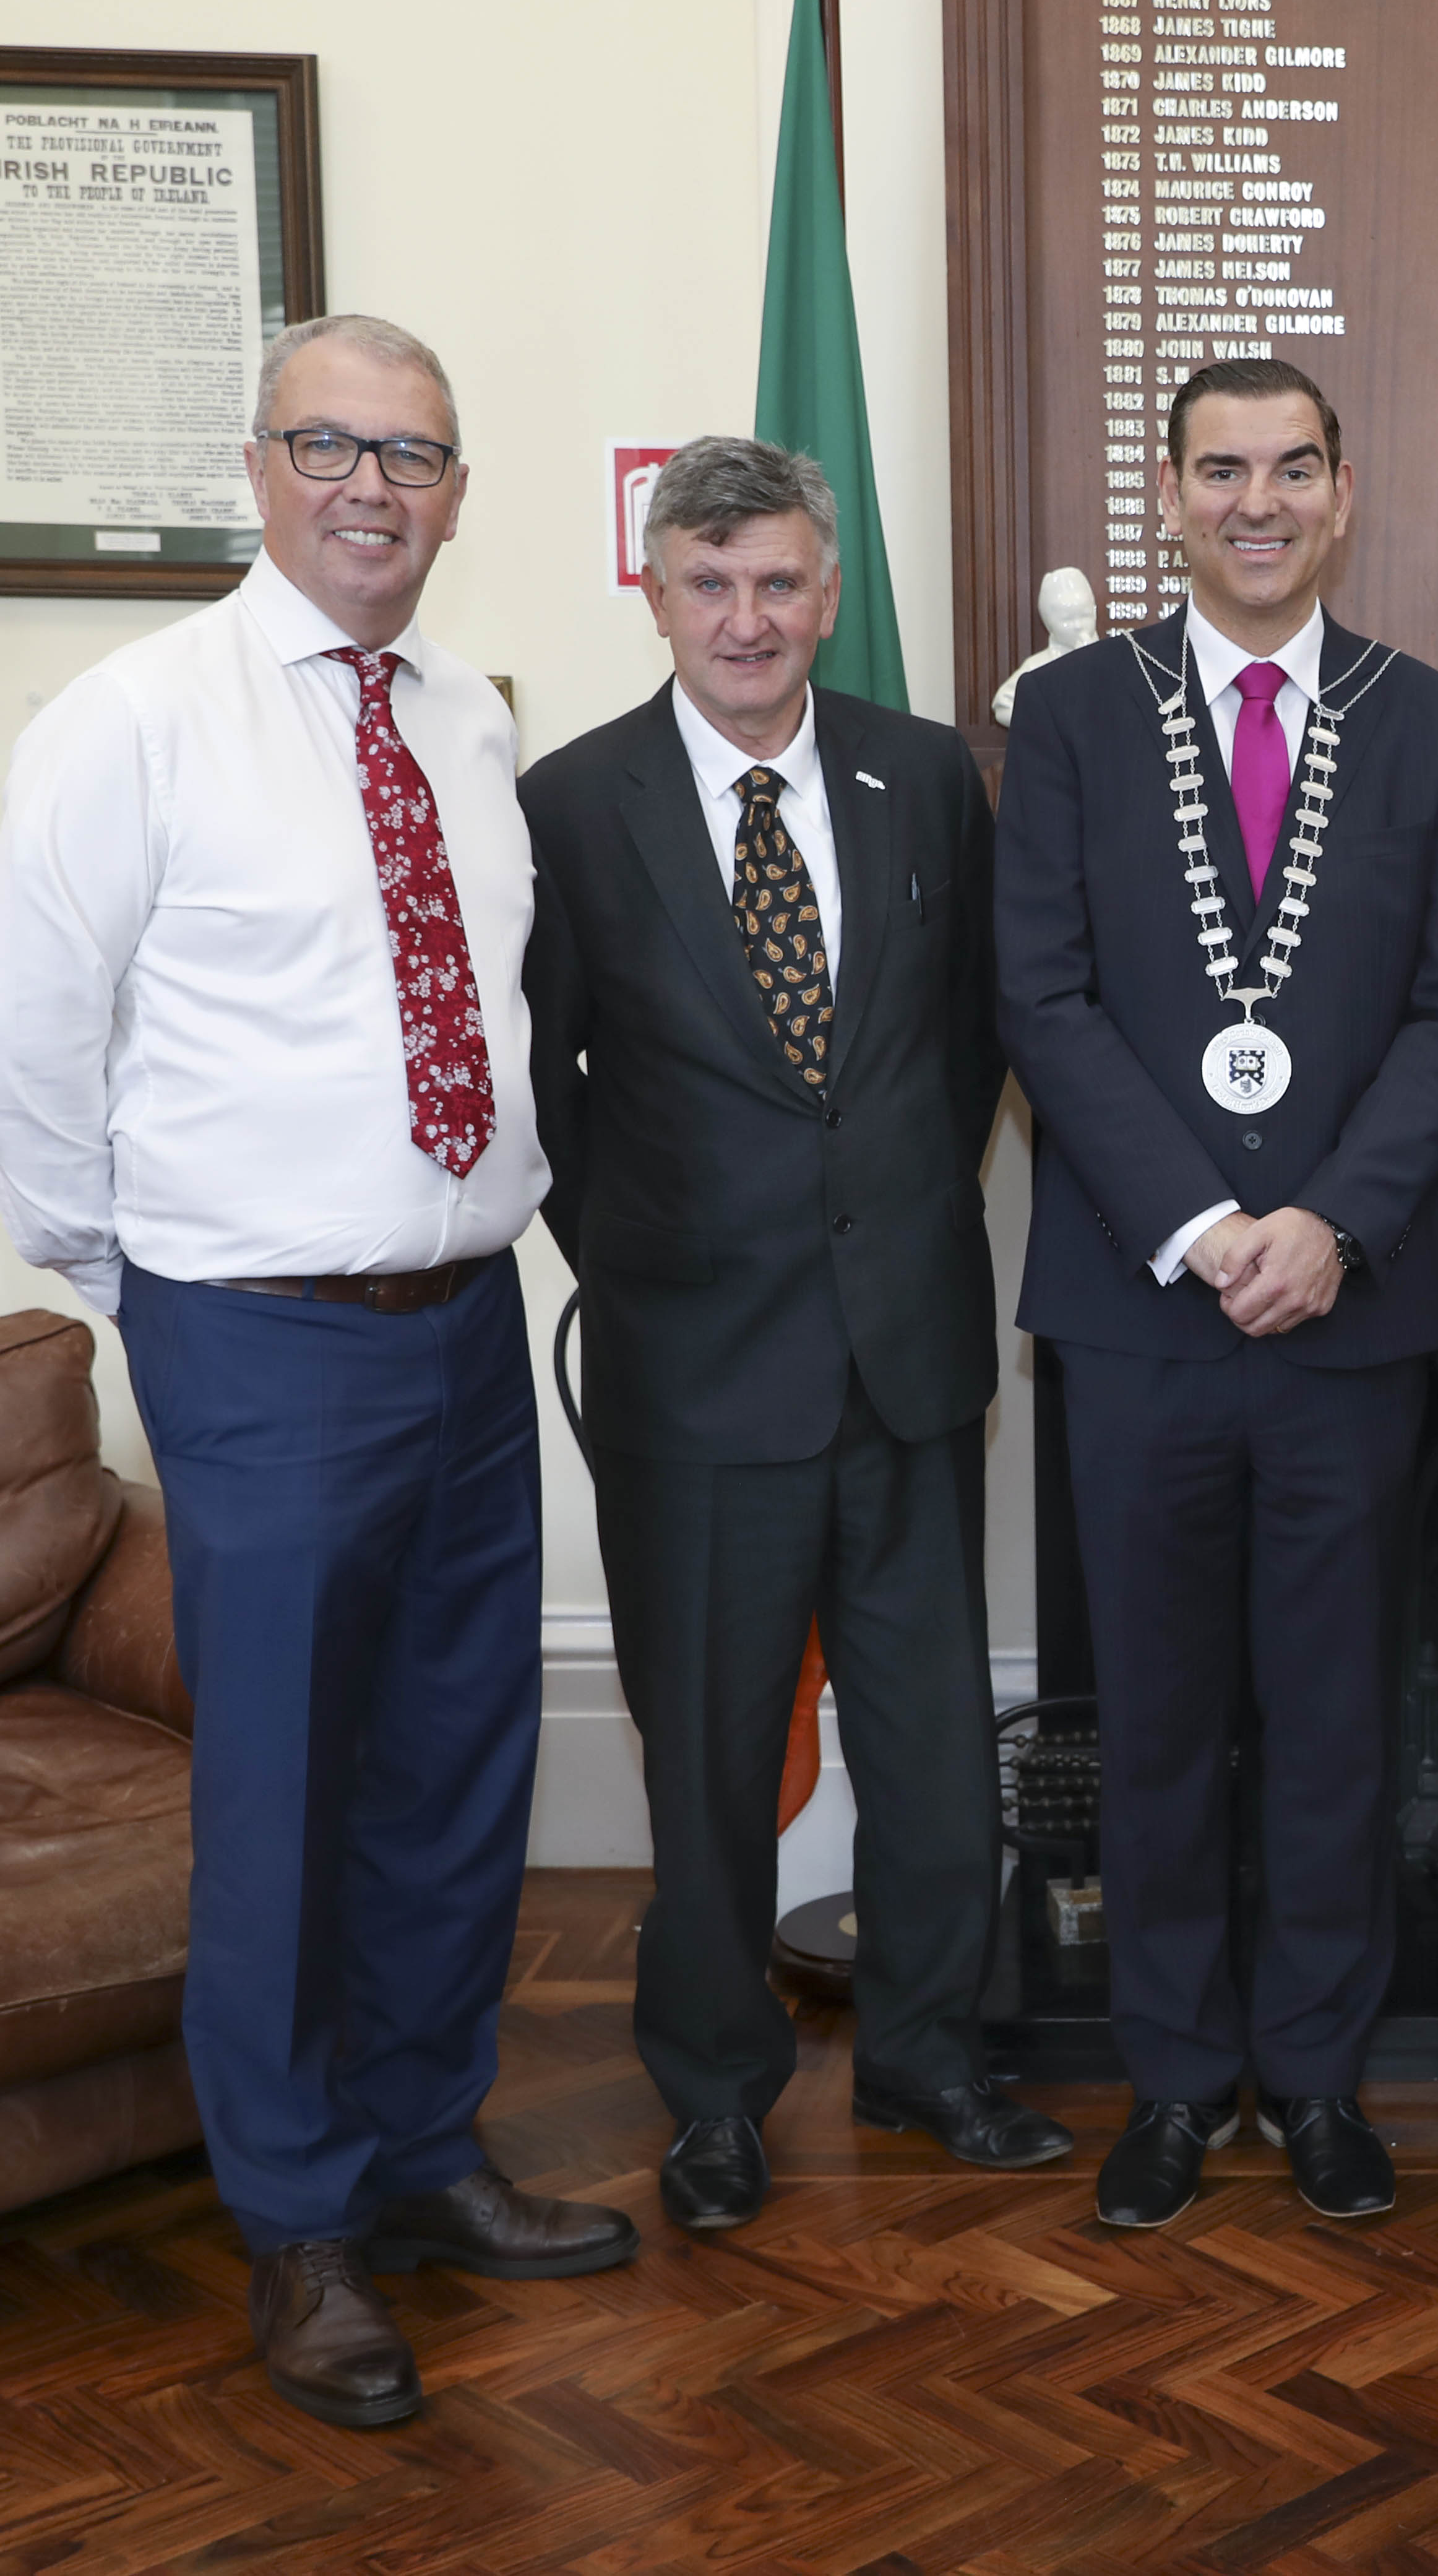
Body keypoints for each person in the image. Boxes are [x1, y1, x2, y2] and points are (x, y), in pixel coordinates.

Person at [0, 315, 634, 2427]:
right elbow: (22, 1045)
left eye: (414, 455)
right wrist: (141, 1265)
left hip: (461, 1333)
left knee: (454, 1779)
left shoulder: (466, 724)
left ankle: (429, 2153)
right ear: (257, 466)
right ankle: (305, 2224)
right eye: (329, 444)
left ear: (453, 491)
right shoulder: (135, 719)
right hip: (255, 1341)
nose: (372, 485)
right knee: (281, 1804)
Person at [519, 437, 1067, 2236]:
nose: (746, 617)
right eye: (709, 581)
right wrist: (659, 1260)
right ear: (656, 592)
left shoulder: (922, 778)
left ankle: (928, 2060)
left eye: (777, 583)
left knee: (927, 1751)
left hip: (905, 1358)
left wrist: (893, 1222)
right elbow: (550, 1092)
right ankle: (717, 2095)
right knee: (708, 1761)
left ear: (828, 596)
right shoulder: (576, 804)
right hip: (694, 1372)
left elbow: (969, 1037)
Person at [995, 360, 1438, 2228]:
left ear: (1344, 495)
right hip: (1143, 1316)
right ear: (1169, 493)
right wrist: (1203, 1228)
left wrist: (1334, 1224)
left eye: (1293, 469)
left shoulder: (1434, 729)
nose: (1258, 501)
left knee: (1336, 1717)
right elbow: (1038, 994)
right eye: (1222, 471)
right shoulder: (1066, 719)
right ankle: (1175, 2077)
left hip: (1351, 1318)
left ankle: (1314, 2074)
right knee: (1156, 1720)